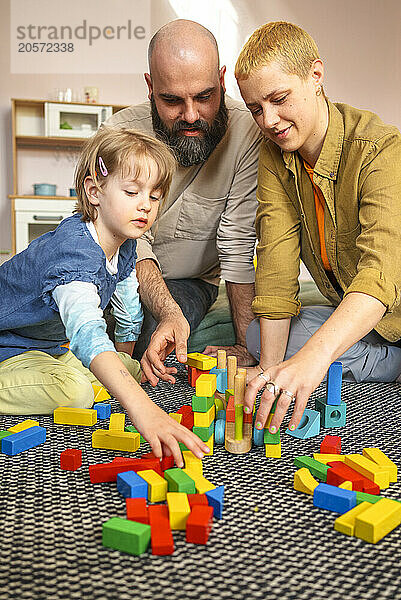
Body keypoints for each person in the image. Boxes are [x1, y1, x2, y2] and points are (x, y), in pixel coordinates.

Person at [0, 127, 209, 465]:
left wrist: (125, 358)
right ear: (94, 192)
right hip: (8, 344)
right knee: (76, 392)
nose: (145, 205)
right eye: (131, 191)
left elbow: (127, 307)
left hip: (46, 346)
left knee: (126, 367)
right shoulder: (74, 253)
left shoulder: (124, 245)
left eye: (154, 196)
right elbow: (86, 333)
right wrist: (142, 408)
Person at [234, 22, 401, 434]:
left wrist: (311, 362)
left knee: (309, 352)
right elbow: (276, 267)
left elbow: (379, 278)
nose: (268, 120)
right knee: (260, 337)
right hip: (363, 321)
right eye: (256, 108)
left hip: (388, 310)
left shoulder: (381, 149)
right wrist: (272, 375)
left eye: (278, 99)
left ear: (316, 76)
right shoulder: (275, 155)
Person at [105, 19, 262, 386]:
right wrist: (169, 310)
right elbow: (126, 242)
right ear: (150, 88)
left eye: (205, 97)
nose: (190, 115)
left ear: (222, 81)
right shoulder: (116, 135)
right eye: (172, 100)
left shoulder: (248, 134)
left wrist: (245, 344)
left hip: (189, 281)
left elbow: (237, 241)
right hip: (113, 271)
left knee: (151, 343)